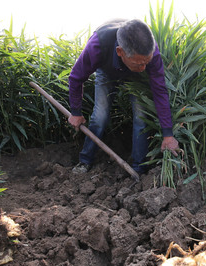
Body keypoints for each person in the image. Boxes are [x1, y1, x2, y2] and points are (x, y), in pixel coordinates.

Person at [67, 19, 179, 175]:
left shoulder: (149, 52)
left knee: (141, 117)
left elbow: (160, 91)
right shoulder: (98, 45)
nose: (144, 68)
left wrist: (168, 134)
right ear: (120, 52)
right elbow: (75, 77)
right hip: (106, 71)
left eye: (146, 62)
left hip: (135, 78)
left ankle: (139, 168)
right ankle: (85, 161)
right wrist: (76, 112)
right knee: (99, 116)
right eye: (139, 63)